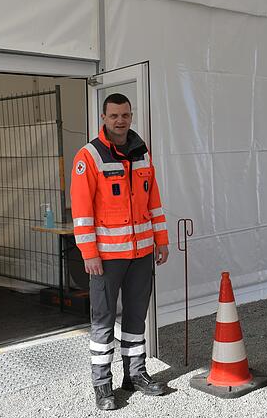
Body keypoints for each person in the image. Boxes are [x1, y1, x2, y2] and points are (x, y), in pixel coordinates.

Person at [70, 93, 170, 410]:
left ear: (131, 115)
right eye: (113, 115)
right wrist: (89, 253)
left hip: (141, 255)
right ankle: (102, 386)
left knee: (136, 318)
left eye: (125, 115)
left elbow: (153, 200)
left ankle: (135, 375)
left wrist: (161, 238)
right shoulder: (89, 156)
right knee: (102, 321)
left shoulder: (142, 152)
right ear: (103, 117)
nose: (120, 121)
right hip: (106, 259)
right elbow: (82, 212)